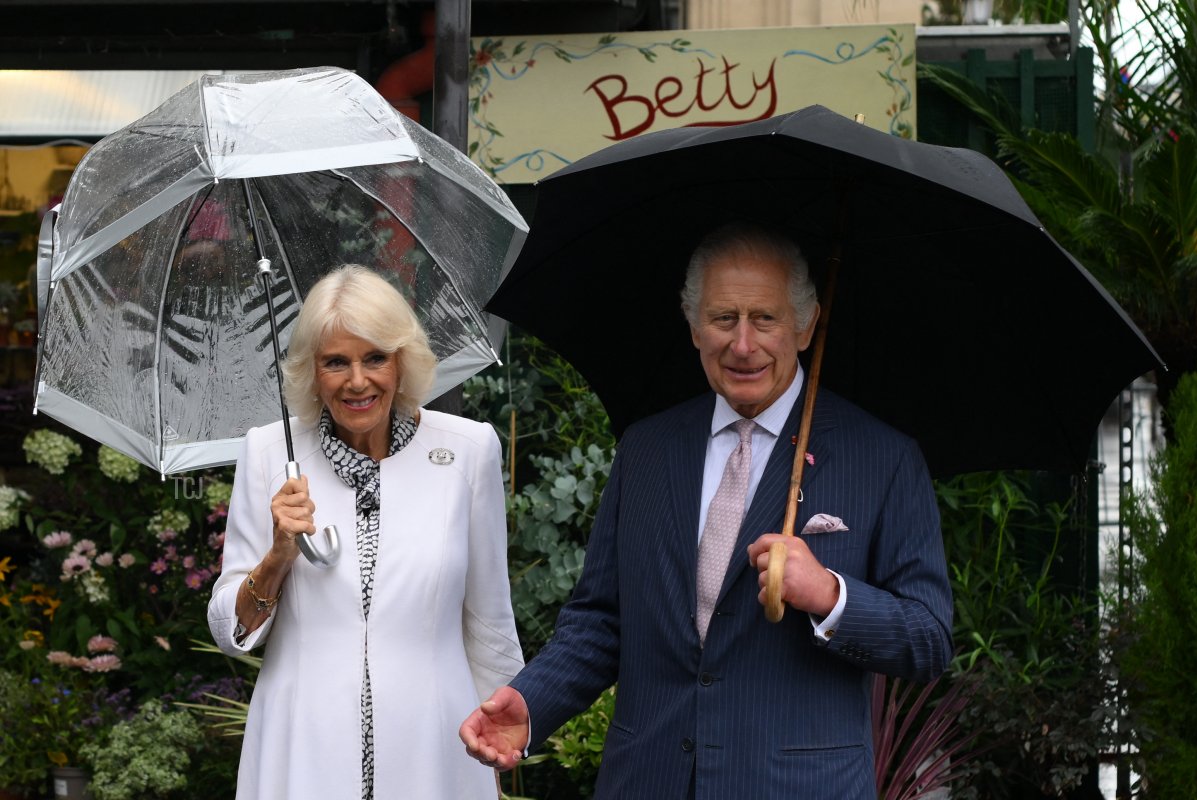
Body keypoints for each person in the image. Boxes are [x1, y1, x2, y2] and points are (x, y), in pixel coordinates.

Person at [460, 223, 953, 799]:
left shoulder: (883, 458)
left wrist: (830, 595)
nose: (742, 345)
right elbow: (601, 621)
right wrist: (530, 701)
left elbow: (928, 638)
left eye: (764, 319)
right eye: (724, 319)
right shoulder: (646, 449)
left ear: (806, 324)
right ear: (694, 326)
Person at [209, 264, 523, 800]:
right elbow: (228, 632)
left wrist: (499, 735)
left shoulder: (470, 449)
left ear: (402, 362)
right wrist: (278, 555)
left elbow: (489, 618)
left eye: (375, 357)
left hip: (438, 743)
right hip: (300, 744)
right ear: (313, 372)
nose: (358, 381)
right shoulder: (268, 455)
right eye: (336, 362)